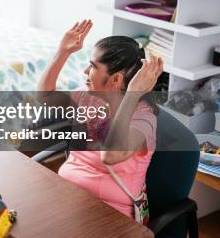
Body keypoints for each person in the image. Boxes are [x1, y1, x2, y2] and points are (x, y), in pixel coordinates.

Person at [37, 20, 164, 218]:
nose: (85, 72)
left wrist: (132, 95)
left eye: (92, 66)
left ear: (115, 80)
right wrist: (62, 52)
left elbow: (110, 156)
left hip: (110, 216)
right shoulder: (88, 97)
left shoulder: (143, 119)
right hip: (68, 198)